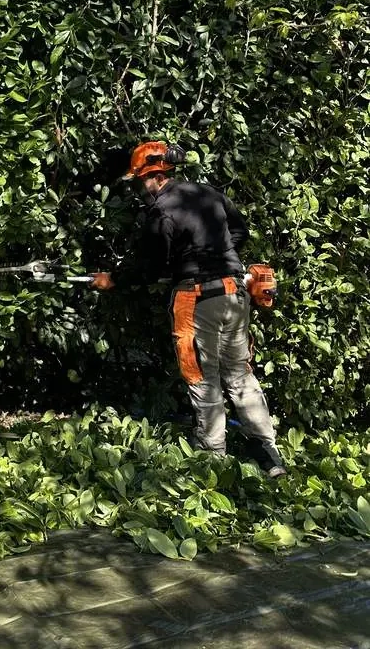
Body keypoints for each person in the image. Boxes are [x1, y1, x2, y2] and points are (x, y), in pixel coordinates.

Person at [100, 140, 286, 478]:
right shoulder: (207, 194)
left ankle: (211, 466)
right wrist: (218, 259)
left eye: (141, 182)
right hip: (235, 293)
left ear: (151, 176)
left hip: (196, 299)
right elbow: (239, 232)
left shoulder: (162, 211)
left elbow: (149, 265)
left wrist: (114, 279)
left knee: (203, 378)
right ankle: (270, 456)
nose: (141, 189)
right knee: (240, 374)